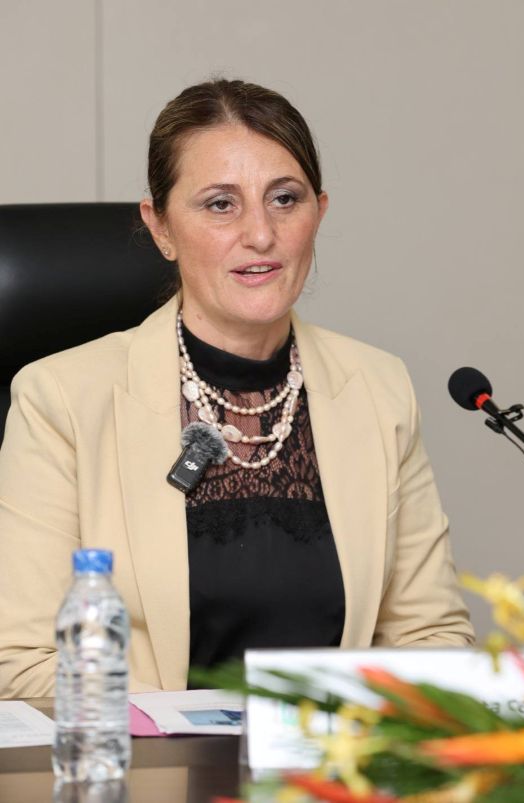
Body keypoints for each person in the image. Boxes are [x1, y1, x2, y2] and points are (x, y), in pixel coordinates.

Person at [0, 79, 473, 698]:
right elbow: (23, 663)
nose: (261, 234)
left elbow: (432, 635)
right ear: (161, 227)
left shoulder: (379, 389)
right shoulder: (61, 399)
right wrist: (215, 730)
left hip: (332, 757)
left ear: (319, 213)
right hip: (152, 759)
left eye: (285, 199)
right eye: (221, 204)